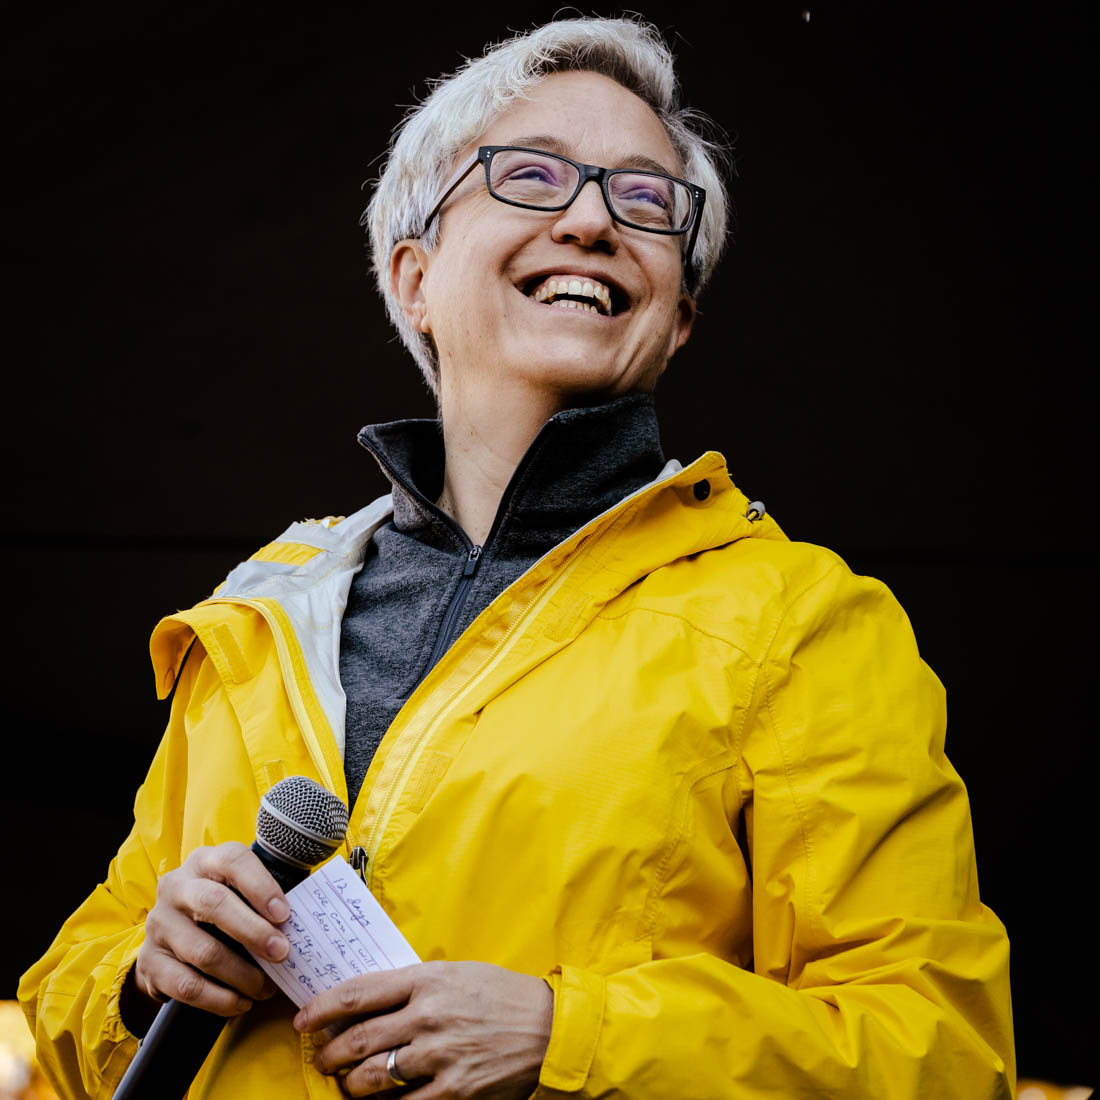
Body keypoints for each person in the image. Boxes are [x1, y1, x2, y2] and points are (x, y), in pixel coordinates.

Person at [18, 16, 1015, 1100]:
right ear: (411, 277)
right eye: (530, 176)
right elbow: (63, 1008)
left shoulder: (800, 622)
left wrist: (568, 1036)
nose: (592, 219)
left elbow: (940, 1056)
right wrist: (137, 979)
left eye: (644, 200)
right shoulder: (255, 618)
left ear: (677, 315)